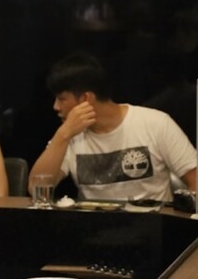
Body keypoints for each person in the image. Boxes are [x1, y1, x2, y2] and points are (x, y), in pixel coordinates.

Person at [28, 52, 197, 201]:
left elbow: (195, 180)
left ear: (86, 99)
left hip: (151, 224)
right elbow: (36, 190)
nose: (55, 107)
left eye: (61, 99)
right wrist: (63, 135)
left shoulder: (155, 123)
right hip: (93, 225)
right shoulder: (69, 134)